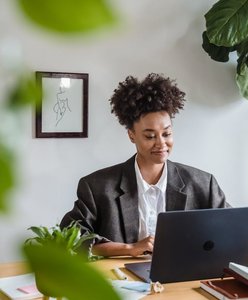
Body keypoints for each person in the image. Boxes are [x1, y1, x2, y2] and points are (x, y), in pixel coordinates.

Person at [60, 73, 229, 257]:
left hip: (183, 278)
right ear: (131, 135)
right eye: (150, 136)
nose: (161, 143)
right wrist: (130, 248)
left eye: (166, 134)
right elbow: (71, 238)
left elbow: (232, 229)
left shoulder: (203, 183)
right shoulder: (97, 186)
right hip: (122, 279)